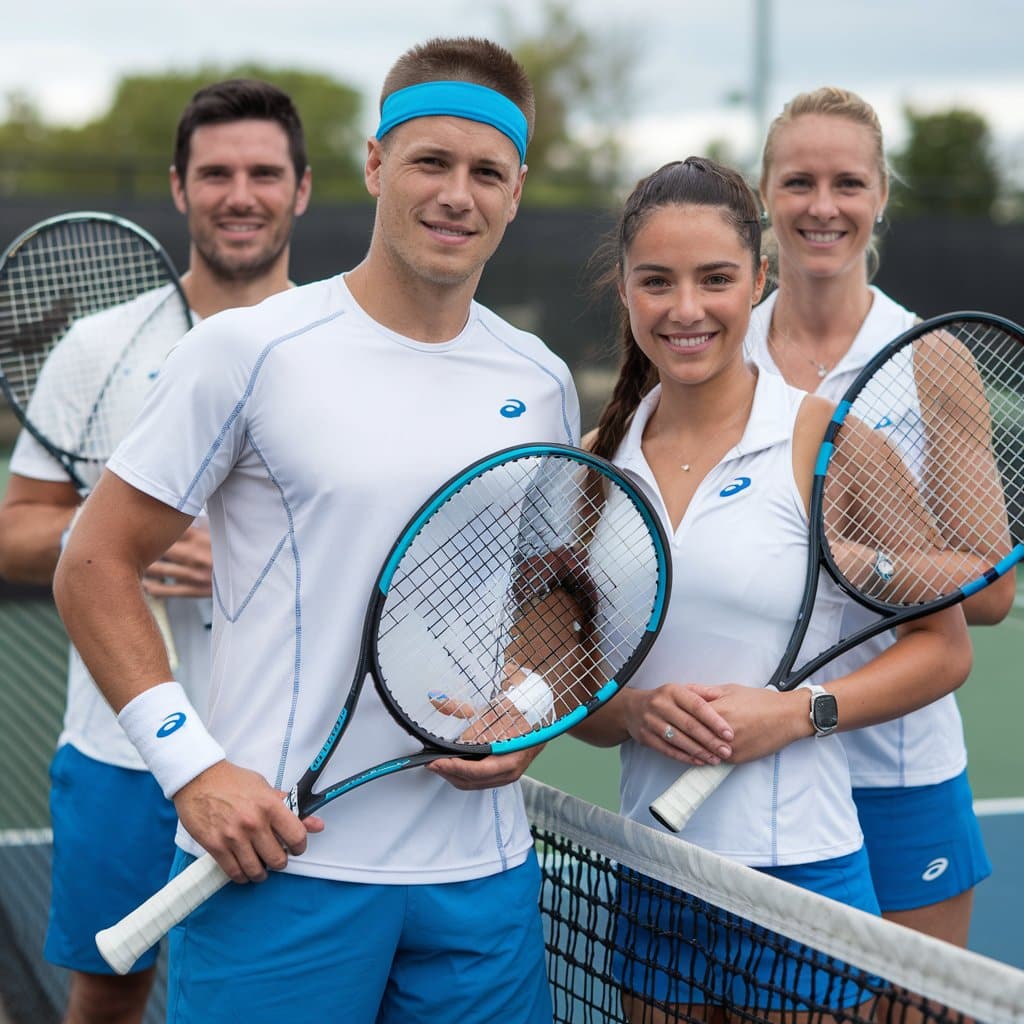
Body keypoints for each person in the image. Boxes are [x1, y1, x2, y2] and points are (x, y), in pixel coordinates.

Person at [53, 37, 579, 1024]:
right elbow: (94, 560)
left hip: (482, 879)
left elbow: (555, 593)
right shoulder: (248, 351)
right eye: (430, 161)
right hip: (279, 868)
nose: (456, 194)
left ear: (514, 192)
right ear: (376, 165)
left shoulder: (539, 379)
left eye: (485, 173)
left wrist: (532, 700)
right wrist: (192, 765)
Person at [570, 156, 972, 1021]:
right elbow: (587, 696)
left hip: (805, 877)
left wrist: (799, 713)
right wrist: (634, 714)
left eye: (715, 279)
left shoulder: (830, 442)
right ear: (627, 290)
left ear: (757, 280)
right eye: (657, 282)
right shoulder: (596, 455)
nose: (686, 309)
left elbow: (944, 649)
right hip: (653, 874)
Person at [0, 77, 312, 1024]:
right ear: (179, 188)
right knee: (107, 995)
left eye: (265, 173)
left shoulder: (335, 345)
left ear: (302, 190)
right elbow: (19, 531)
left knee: (273, 998)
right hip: (119, 747)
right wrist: (116, 536)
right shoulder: (97, 347)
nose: (240, 194)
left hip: (282, 754)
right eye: (216, 173)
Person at [744, 86, 1014, 948]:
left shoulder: (932, 357)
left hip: (899, 766)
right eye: (798, 182)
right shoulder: (718, 351)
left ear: (881, 196)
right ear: (764, 193)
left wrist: (853, 561)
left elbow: (991, 586)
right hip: (762, 764)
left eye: (847, 184)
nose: (823, 207)